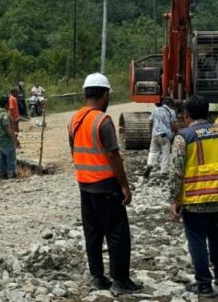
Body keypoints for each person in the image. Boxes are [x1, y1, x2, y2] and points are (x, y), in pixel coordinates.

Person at [69, 73, 142, 295]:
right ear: (105, 94)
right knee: (117, 234)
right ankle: (120, 280)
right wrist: (125, 186)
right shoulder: (103, 121)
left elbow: (74, 150)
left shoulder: (75, 119)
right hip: (106, 186)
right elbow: (113, 156)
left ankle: (98, 277)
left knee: (92, 233)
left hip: (85, 186)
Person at [169, 95, 218, 297]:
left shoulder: (184, 137)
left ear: (186, 114)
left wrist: (174, 199)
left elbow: (176, 171)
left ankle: (204, 284)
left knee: (196, 239)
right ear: (207, 112)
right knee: (215, 233)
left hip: (194, 199)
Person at [143, 97, 177, 179]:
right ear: (170, 104)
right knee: (166, 153)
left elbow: (150, 122)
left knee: (153, 152)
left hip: (155, 135)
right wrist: (176, 132)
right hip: (165, 136)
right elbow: (173, 125)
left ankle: (150, 164)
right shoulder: (172, 112)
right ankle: (164, 172)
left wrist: (151, 133)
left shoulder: (156, 110)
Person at [0, 96, 20, 179]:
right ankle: (10, 176)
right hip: (7, 141)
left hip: (0, 141)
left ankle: (2, 174)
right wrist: (15, 139)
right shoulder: (5, 115)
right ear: (6, 104)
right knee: (10, 159)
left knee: (2, 158)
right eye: (8, 103)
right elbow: (8, 128)